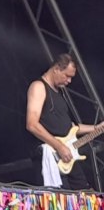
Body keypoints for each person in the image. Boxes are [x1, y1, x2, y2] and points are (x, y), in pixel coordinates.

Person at [26, 53, 102, 190]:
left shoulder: (60, 92)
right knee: (59, 198)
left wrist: (97, 127)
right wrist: (59, 147)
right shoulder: (38, 86)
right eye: (67, 76)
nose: (69, 81)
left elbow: (71, 127)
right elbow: (32, 124)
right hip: (52, 154)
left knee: (86, 194)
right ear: (56, 69)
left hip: (68, 154)